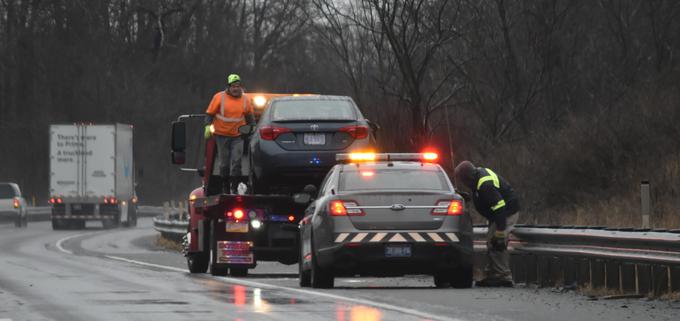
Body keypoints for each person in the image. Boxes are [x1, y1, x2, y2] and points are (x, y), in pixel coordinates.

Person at [454, 161, 520, 287]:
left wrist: (500, 231)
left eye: (463, 180)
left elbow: (499, 207)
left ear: (467, 178)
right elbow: (482, 197)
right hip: (498, 214)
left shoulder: (485, 184)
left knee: (497, 242)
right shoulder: (477, 177)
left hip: (506, 213)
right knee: (492, 241)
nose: (463, 183)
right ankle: (494, 274)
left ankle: (503, 276)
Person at [204, 74, 255, 194]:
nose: (236, 88)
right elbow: (209, 114)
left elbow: (250, 117)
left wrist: (252, 128)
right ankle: (225, 186)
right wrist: (207, 126)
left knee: (237, 162)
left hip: (238, 136)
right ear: (228, 87)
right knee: (224, 163)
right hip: (221, 136)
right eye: (233, 86)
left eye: (238, 86)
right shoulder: (219, 97)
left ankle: (234, 187)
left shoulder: (245, 100)